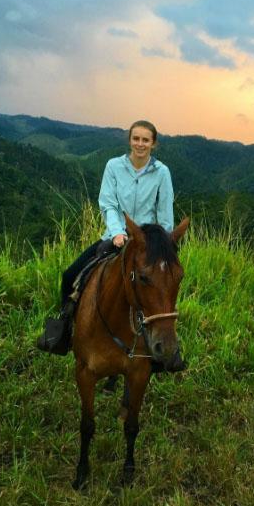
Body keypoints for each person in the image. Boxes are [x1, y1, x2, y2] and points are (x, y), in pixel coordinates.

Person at [36, 119, 178, 362]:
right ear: (129, 140)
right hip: (116, 237)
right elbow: (108, 203)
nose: (140, 144)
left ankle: (168, 348)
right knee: (70, 276)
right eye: (136, 138)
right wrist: (117, 233)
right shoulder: (114, 166)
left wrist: (160, 245)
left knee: (163, 286)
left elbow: (165, 215)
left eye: (145, 140)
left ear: (153, 144)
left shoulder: (162, 172)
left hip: (148, 244)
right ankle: (65, 331)